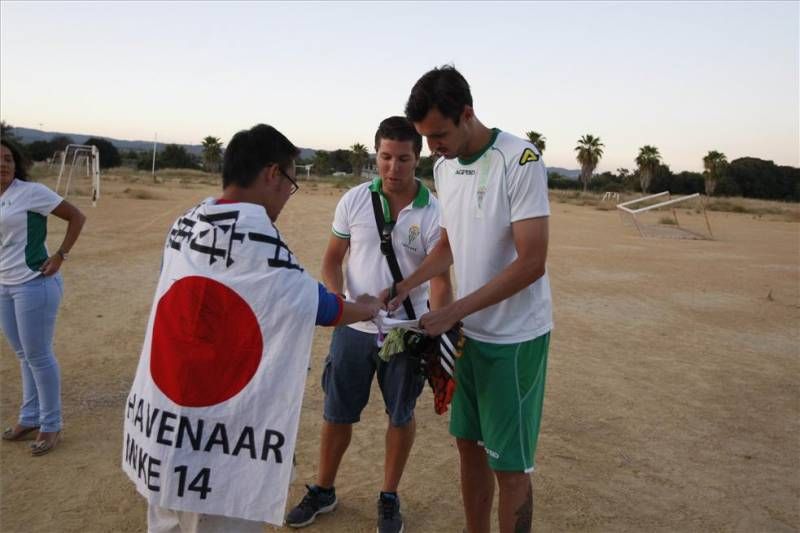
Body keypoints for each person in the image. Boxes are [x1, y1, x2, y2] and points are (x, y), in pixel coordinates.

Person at [130, 124, 384, 533]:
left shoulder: (187, 221)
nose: (287, 195)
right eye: (290, 183)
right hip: (217, 436)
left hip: (165, 420)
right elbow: (320, 306)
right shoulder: (257, 240)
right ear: (272, 174)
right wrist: (366, 306)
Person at [390, 66, 553, 533]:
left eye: (438, 134)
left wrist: (454, 311)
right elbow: (450, 243)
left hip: (515, 339)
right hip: (469, 339)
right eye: (426, 138)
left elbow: (532, 261)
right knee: (468, 446)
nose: (432, 147)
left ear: (467, 114)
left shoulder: (519, 159)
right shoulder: (444, 167)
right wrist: (407, 284)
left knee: (510, 466)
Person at [286, 116, 452, 533]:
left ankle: (389, 496)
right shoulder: (354, 200)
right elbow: (330, 259)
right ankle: (324, 489)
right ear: (375, 154)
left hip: (406, 334)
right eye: (385, 157)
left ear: (419, 159)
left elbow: (441, 277)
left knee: (401, 415)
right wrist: (342, 302)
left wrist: (436, 328)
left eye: (403, 159)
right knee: (336, 412)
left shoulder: (433, 212)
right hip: (353, 332)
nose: (393, 168)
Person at [0, 138, 86, 456]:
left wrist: (61, 254)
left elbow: (77, 216)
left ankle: (51, 424)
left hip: (34, 283)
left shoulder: (31, 193)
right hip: (4, 285)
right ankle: (29, 417)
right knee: (24, 355)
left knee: (38, 356)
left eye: (8, 159)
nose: (4, 164)